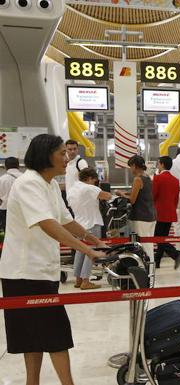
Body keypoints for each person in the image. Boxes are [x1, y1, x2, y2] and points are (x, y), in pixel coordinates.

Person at [0, 134, 106, 385]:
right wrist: (88, 251)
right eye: (61, 153)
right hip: (24, 273)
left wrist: (97, 241)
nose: (67, 157)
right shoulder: (28, 183)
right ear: (45, 155)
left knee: (36, 335)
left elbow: (65, 220)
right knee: (54, 334)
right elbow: (47, 224)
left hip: (41, 271)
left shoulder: (48, 184)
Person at [67, 168, 112, 290]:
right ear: (90, 178)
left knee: (80, 251)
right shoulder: (89, 188)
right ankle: (86, 280)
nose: (95, 182)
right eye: (94, 180)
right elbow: (107, 196)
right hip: (92, 223)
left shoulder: (72, 189)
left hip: (78, 225)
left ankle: (78, 279)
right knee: (90, 252)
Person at [115, 155, 156, 262]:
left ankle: (148, 268)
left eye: (130, 166)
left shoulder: (137, 179)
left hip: (140, 216)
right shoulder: (147, 177)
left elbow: (132, 200)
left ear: (134, 166)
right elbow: (141, 193)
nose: (130, 169)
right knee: (149, 244)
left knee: (144, 245)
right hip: (151, 215)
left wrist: (120, 194)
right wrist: (126, 193)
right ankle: (150, 268)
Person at [152, 156, 180, 269]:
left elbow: (153, 195)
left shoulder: (158, 178)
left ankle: (176, 254)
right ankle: (157, 262)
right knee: (163, 237)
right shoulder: (175, 180)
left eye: (158, 163)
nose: (157, 165)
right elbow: (176, 198)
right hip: (171, 212)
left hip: (160, 212)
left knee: (157, 237)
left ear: (162, 165)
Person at [0, 157, 22, 232]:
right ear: (18, 166)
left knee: (8, 232)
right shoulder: (24, 178)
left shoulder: (2, 179)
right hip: (22, 209)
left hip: (5, 209)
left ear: (5, 166)